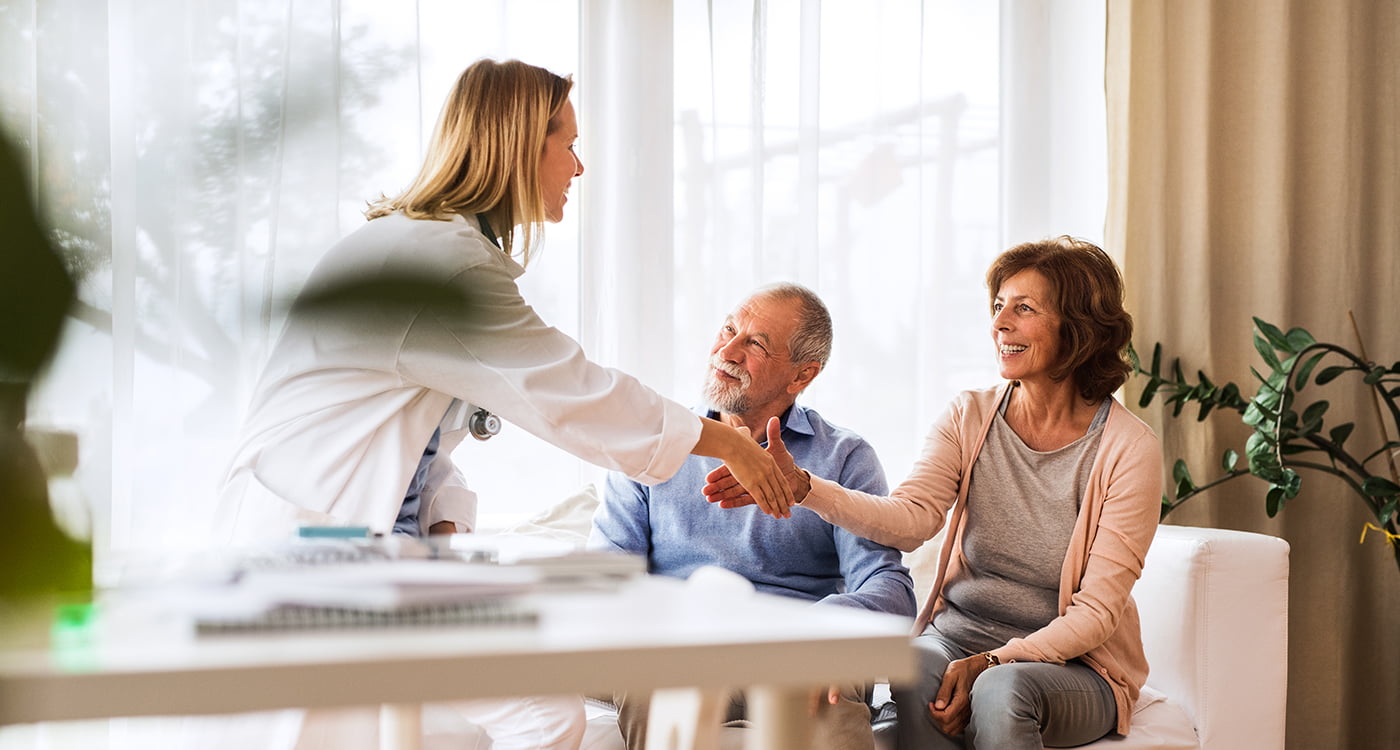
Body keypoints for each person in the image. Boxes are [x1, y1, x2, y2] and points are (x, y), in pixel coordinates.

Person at [217, 58, 790, 750]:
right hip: (319, 547)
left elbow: (404, 433)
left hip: (355, 547)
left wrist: (444, 524)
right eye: (569, 145)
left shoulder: (424, 247)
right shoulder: (440, 265)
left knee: (529, 709)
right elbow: (575, 393)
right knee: (538, 713)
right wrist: (724, 440)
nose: (578, 168)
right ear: (521, 145)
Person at [704, 237, 1162, 749]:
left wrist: (994, 661)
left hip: (1073, 665)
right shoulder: (969, 415)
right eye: (998, 306)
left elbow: (1096, 614)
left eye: (1023, 309)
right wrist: (804, 487)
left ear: (1076, 328)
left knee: (1001, 691)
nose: (1000, 323)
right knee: (913, 666)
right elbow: (911, 519)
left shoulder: (1129, 449)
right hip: (958, 636)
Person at [589, 282, 916, 750]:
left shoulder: (844, 456)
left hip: (797, 659)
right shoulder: (655, 445)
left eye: (755, 343)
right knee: (653, 684)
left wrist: (814, 634)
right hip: (683, 653)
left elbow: (891, 590)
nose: (727, 350)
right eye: (728, 330)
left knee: (832, 710)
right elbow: (605, 577)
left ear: (801, 376)